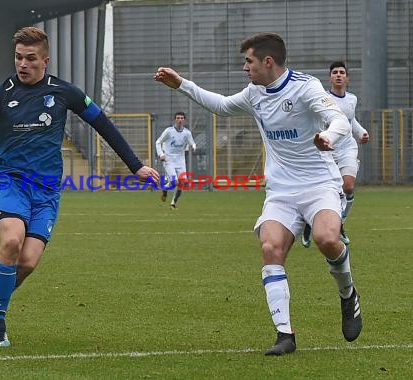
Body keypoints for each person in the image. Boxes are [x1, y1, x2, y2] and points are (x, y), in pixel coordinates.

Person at [0, 26, 159, 348]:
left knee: (27, 262)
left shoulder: (65, 93)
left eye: (30, 58)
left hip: (48, 191)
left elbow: (102, 124)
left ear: (45, 61)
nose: (23, 64)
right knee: (11, 241)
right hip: (12, 183)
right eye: (18, 58)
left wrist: (135, 166)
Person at [154, 32, 362, 356]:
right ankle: (285, 335)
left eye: (248, 61)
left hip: (319, 185)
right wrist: (181, 84)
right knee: (270, 247)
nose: (244, 67)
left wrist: (327, 136)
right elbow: (221, 106)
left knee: (327, 240)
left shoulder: (305, 87)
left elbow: (340, 120)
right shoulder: (255, 93)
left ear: (267, 62)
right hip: (281, 190)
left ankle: (348, 295)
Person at [301, 61, 370, 248]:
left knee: (348, 187)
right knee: (330, 190)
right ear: (330, 77)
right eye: (334, 72)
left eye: (341, 72)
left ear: (347, 78)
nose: (338, 75)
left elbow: (351, 119)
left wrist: (361, 132)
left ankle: (339, 224)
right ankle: (310, 224)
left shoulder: (352, 99)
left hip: (347, 148)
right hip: (327, 149)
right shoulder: (322, 98)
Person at [156, 111, 196, 209]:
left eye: (181, 118)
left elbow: (193, 143)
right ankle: (165, 189)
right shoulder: (169, 131)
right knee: (175, 182)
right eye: (178, 118)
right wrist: (161, 154)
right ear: (175, 120)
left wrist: (193, 147)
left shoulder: (187, 133)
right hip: (169, 160)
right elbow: (158, 142)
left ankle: (173, 203)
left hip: (181, 161)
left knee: (182, 183)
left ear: (184, 120)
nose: (180, 120)